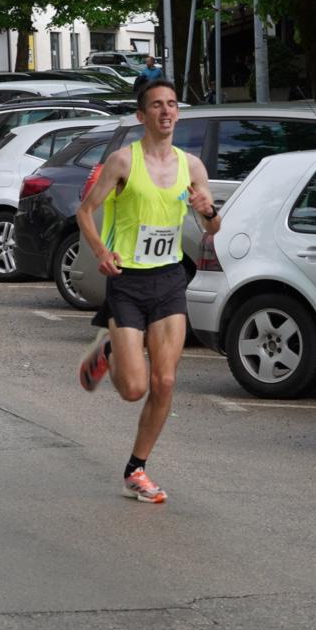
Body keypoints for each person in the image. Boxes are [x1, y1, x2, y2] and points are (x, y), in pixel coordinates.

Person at [73, 76, 220, 504]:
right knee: (133, 389)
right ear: (142, 116)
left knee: (166, 380)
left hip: (170, 278)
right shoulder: (122, 161)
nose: (166, 111)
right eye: (157, 105)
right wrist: (101, 251)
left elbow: (214, 227)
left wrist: (207, 210)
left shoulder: (191, 167)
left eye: (172, 104)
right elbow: (86, 212)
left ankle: (136, 469)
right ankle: (108, 353)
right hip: (128, 281)